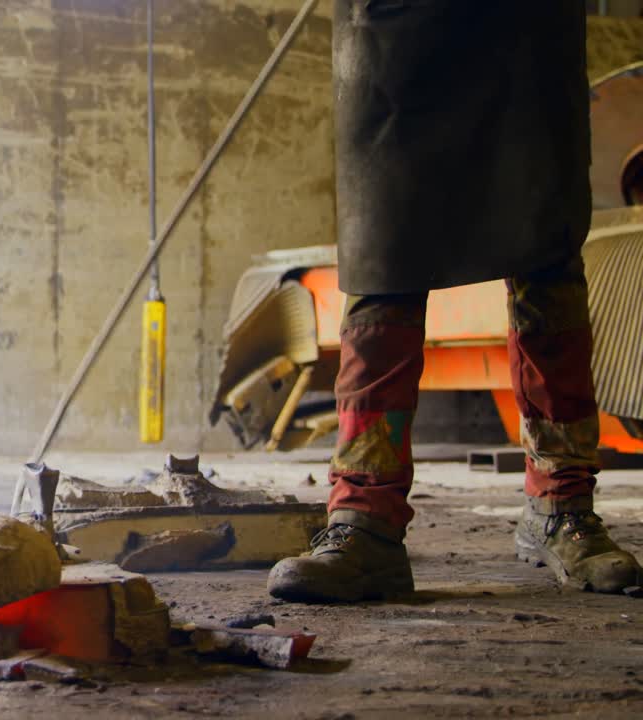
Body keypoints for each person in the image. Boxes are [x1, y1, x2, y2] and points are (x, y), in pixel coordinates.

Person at [267, 0, 642, 602]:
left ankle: (561, 502)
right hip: (393, 24)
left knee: (546, 252)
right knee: (381, 254)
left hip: (526, 27)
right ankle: (365, 516)